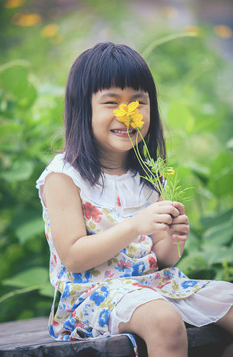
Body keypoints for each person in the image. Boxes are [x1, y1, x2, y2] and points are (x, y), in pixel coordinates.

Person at [36, 42, 233, 357]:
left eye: (138, 102)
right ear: (81, 108)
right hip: (92, 297)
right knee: (164, 321)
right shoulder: (63, 176)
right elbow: (73, 256)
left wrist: (173, 239)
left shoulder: (148, 174)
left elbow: (162, 259)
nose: (127, 114)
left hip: (152, 285)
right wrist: (134, 225)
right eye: (111, 102)